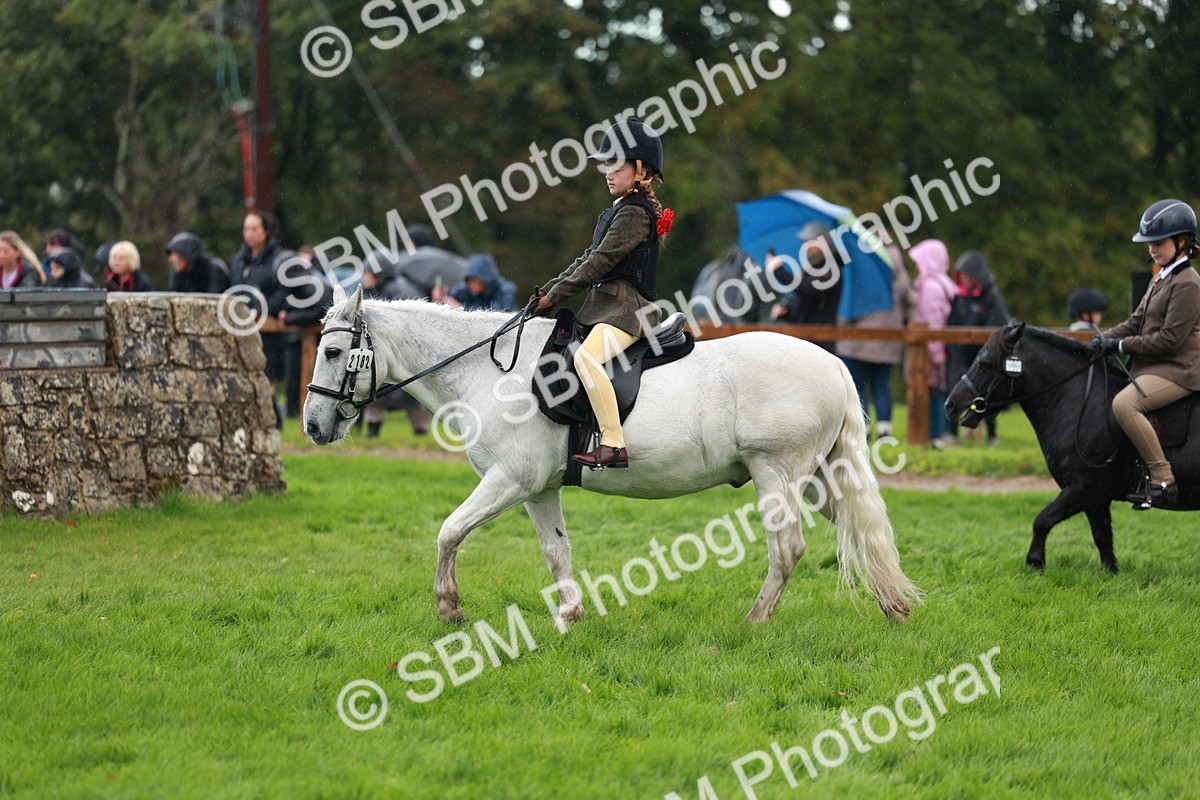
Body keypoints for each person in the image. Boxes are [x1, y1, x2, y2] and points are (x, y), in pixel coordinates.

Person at [530, 117, 671, 469]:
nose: (608, 173)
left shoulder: (634, 214)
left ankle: (613, 443)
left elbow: (600, 263)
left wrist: (555, 298)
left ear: (641, 172)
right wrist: (548, 290)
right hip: (607, 308)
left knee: (586, 359)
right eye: (606, 165)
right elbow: (586, 258)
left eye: (616, 166)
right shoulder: (618, 210)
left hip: (627, 311)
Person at [1092, 199, 1200, 508]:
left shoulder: (1189, 284)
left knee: (1125, 404)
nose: (1152, 249)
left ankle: (1163, 478)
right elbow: (1135, 322)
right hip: (1157, 365)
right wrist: (1103, 339)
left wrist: (1121, 346)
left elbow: (1169, 340)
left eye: (1159, 242)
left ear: (1182, 241)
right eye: (1149, 243)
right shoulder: (1161, 276)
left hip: (1180, 369)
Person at [836, 242, 913, 440]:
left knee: (858, 388)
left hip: (858, 343)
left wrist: (840, 326)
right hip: (889, 343)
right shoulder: (901, 277)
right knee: (881, 387)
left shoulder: (863, 273)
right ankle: (885, 430)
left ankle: (864, 428)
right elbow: (911, 306)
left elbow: (848, 308)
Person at [357, 248, 431, 437]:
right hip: (388, 351)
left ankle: (420, 433)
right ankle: (373, 431)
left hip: (406, 352)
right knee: (377, 389)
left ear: (378, 273)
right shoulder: (375, 289)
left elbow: (411, 324)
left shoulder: (400, 289)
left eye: (367, 272)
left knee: (410, 393)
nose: (364, 276)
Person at [231, 210, 290, 426]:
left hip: (270, 330)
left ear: (266, 231)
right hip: (242, 327)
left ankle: (273, 424)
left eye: (254, 228)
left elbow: (284, 293)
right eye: (246, 228)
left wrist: (262, 307)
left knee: (266, 380)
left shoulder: (279, 259)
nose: (249, 233)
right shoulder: (239, 259)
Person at [946, 250, 1011, 447]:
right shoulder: (960, 297)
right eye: (962, 276)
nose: (964, 280)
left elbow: (998, 325)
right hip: (960, 356)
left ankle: (992, 435)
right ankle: (952, 434)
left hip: (982, 357)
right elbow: (952, 325)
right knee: (955, 391)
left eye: (967, 276)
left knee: (986, 395)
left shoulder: (991, 296)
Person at [907, 240, 959, 448]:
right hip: (942, 347)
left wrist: (935, 353)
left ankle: (934, 435)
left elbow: (932, 323)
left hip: (929, 350)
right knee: (938, 390)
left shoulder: (930, 287)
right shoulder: (944, 283)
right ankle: (939, 434)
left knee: (932, 391)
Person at [769, 222, 845, 352]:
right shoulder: (814, 267)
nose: (805, 246)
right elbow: (806, 302)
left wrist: (779, 270)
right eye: (805, 242)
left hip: (820, 344)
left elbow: (806, 290)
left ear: (825, 242)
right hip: (806, 341)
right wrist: (787, 310)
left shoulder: (831, 269)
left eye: (810, 241)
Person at [434, 253, 517, 312]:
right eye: (468, 280)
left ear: (484, 279)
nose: (471, 284)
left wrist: (461, 309)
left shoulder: (505, 290)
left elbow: (495, 315)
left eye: (474, 280)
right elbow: (451, 297)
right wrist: (442, 296)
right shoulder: (467, 289)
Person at [166, 232, 231, 294]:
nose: (170, 260)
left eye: (174, 255)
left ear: (187, 253)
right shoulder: (179, 274)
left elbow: (214, 299)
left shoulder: (214, 270)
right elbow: (174, 298)